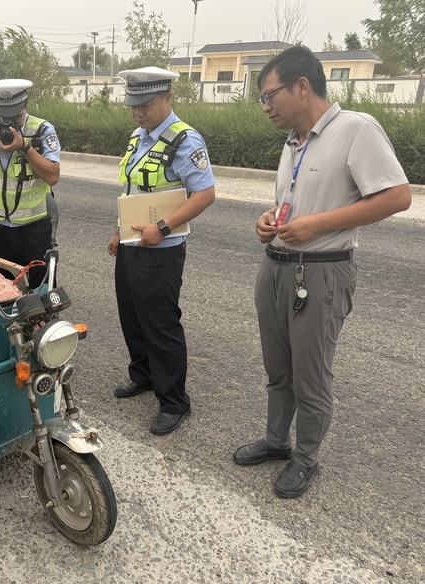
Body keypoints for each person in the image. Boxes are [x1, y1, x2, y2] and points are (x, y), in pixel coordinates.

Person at [233, 46, 411, 498]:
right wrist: (268, 219)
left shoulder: (355, 128)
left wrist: (316, 225)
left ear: (302, 86)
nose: (265, 106)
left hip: (321, 273)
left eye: (269, 95)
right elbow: (294, 201)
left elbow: (397, 196)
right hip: (275, 267)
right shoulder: (294, 142)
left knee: (310, 375)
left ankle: (306, 457)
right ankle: (276, 441)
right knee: (278, 368)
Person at [109, 67, 216, 435]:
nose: (138, 112)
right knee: (132, 316)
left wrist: (164, 227)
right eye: (133, 105)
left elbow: (205, 194)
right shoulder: (138, 137)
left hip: (162, 250)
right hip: (132, 244)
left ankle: (174, 402)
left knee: (160, 324)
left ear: (168, 99)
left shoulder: (185, 140)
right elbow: (133, 190)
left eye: (146, 105)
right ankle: (143, 376)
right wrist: (118, 230)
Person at [0, 78, 61, 286]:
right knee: (2, 291)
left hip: (35, 228)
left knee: (40, 290)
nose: (9, 123)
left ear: (24, 105)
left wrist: (25, 147)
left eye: (15, 116)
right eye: (2, 117)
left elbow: (53, 176)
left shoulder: (41, 129)